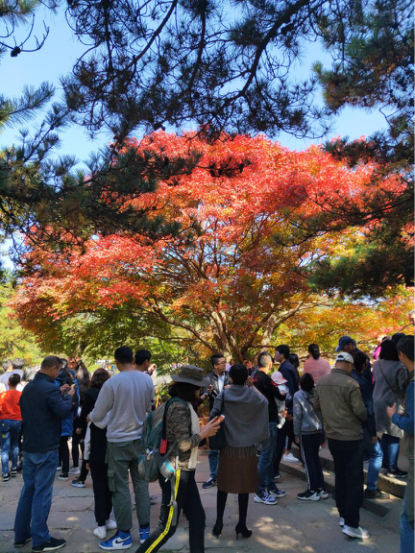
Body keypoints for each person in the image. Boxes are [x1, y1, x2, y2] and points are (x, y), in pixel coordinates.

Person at [136, 365, 221, 553]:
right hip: (176, 473)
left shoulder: (179, 403)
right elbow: (183, 444)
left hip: (184, 472)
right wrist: (204, 433)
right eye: (198, 386)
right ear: (190, 387)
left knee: (197, 518)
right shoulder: (179, 407)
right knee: (166, 528)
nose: (200, 389)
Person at [89, 346, 154, 550]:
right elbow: (148, 407)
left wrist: (107, 418)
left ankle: (124, 535)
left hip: (118, 441)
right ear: (133, 359)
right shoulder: (146, 380)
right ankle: (145, 532)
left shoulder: (113, 383)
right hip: (139, 439)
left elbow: (98, 415)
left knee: (120, 488)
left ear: (116, 362)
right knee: (142, 485)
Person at [14, 355, 75, 552]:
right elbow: (62, 412)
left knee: (28, 491)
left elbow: (35, 406)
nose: (58, 374)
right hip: (46, 446)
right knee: (42, 493)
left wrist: (58, 392)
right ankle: (41, 539)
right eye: (58, 371)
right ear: (54, 368)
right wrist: (69, 398)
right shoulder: (48, 388)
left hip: (30, 445)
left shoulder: (30, 387)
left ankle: (20, 534)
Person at [314, 352, 369, 540]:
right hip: (351, 437)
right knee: (354, 480)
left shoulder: (321, 382)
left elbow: (316, 406)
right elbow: (360, 412)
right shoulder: (351, 384)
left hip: (332, 436)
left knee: (341, 476)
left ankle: (343, 516)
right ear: (348, 365)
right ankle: (352, 523)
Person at [210, 364, 268, 539]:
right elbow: (264, 402)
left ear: (231, 378)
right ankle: (241, 524)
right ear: (247, 378)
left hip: (228, 447)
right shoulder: (252, 394)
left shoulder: (225, 394)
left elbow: (214, 414)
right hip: (247, 448)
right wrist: (252, 386)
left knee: (223, 485)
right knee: (245, 486)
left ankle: (219, 522)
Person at [386, 336, 415, 552]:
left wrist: (394, 416)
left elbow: (413, 425)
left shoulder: (413, 384)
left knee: (409, 518)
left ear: (402, 355)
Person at [82, 368, 116, 539]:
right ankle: (109, 518)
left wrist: (86, 458)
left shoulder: (92, 420)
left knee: (98, 489)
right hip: (111, 456)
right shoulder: (114, 419)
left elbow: (87, 441)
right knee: (110, 488)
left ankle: (101, 524)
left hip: (95, 456)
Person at [351, 351, 388, 499]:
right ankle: (371, 488)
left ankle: (355, 488)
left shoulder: (345, 379)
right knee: (377, 453)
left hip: (346, 426)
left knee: (355, 457)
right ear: (364, 364)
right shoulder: (363, 383)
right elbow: (368, 409)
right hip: (363, 426)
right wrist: (373, 432)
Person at [253, 351, 286, 505]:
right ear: (270, 364)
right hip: (268, 420)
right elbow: (280, 395)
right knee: (267, 455)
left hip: (258, 419)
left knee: (268, 455)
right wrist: (283, 392)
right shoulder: (266, 378)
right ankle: (260, 491)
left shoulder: (253, 377)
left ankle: (270, 486)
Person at [373, 339, 409, 478]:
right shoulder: (399, 367)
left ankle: (384, 465)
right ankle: (393, 467)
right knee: (394, 436)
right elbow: (402, 387)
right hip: (393, 404)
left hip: (378, 402)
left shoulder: (377, 365)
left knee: (384, 434)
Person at [293, 373, 328, 501]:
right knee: (316, 460)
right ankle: (321, 488)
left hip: (306, 432)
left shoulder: (298, 395)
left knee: (308, 462)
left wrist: (296, 434)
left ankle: (312, 490)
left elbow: (297, 416)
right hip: (318, 430)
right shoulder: (317, 394)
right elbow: (323, 413)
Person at [202, 353, 230, 489]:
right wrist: (207, 392)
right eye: (222, 363)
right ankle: (214, 476)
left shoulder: (230, 376)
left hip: (230, 415)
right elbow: (202, 395)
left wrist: (232, 390)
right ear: (215, 365)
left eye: (225, 362)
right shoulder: (207, 378)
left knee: (228, 447)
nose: (225, 365)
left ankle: (226, 475)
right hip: (215, 416)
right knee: (213, 448)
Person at [274, 345, 299, 463]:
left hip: (287, 408)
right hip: (287, 407)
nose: (275, 355)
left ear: (282, 354)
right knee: (290, 434)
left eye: (276, 353)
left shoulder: (285, 368)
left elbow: (288, 389)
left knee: (286, 434)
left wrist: (286, 408)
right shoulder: (286, 366)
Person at [55, 360, 79, 481]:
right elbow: (77, 400)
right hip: (69, 416)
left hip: (57, 417)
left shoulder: (55, 384)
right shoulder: (74, 384)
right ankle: (65, 469)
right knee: (64, 443)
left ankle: (61, 467)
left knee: (59, 443)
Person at [0, 373, 22, 481]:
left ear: (8, 383)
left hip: (4, 421)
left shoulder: (3, 395)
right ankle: (14, 467)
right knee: (15, 444)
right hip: (17, 421)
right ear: (19, 383)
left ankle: (5, 472)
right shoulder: (21, 395)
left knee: (4, 447)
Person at [71, 359, 90, 480]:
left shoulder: (76, 387)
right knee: (85, 442)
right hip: (88, 417)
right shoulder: (91, 388)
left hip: (77, 417)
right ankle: (85, 462)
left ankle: (76, 465)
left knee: (75, 442)